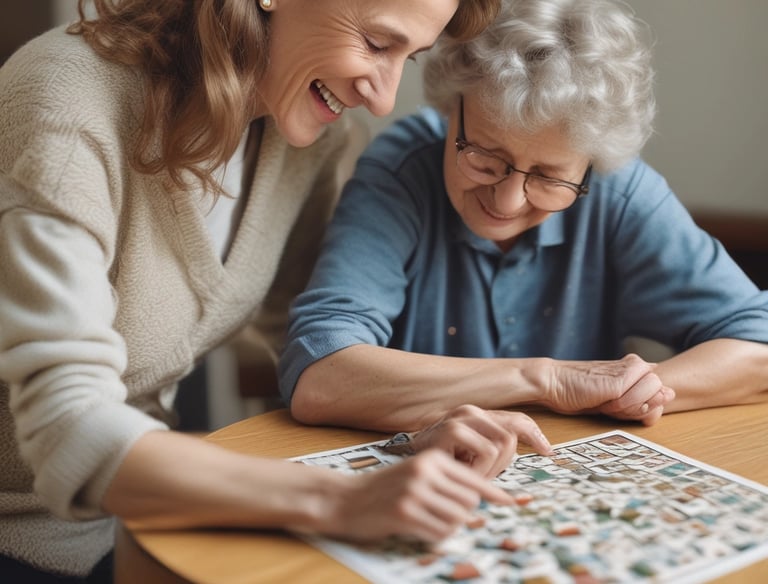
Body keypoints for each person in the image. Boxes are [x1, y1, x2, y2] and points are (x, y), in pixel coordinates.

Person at [0, 1, 562, 582]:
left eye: (409, 57)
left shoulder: (307, 137)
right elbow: (68, 426)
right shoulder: (63, 100)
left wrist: (410, 435)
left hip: (138, 522)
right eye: (375, 43)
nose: (384, 98)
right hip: (23, 536)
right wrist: (339, 500)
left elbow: (316, 354)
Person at [280, 0, 768, 435]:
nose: (509, 201)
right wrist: (547, 380)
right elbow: (320, 374)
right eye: (485, 159)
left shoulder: (616, 190)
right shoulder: (402, 173)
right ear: (452, 107)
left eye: (551, 177)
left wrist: (633, 388)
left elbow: (758, 343)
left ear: (590, 163)